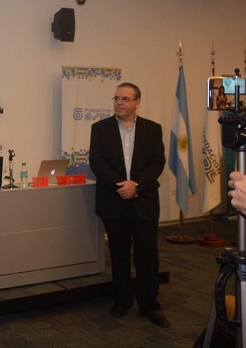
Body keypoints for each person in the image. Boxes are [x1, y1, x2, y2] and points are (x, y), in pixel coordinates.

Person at [89, 82, 169, 328]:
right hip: (114, 201)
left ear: (137, 102)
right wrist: (122, 186)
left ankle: (149, 305)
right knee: (119, 254)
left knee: (147, 255)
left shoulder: (152, 129)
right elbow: (97, 161)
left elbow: (157, 162)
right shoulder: (100, 128)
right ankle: (122, 300)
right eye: (116, 98)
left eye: (125, 99)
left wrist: (137, 185)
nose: (119, 103)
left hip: (144, 201)